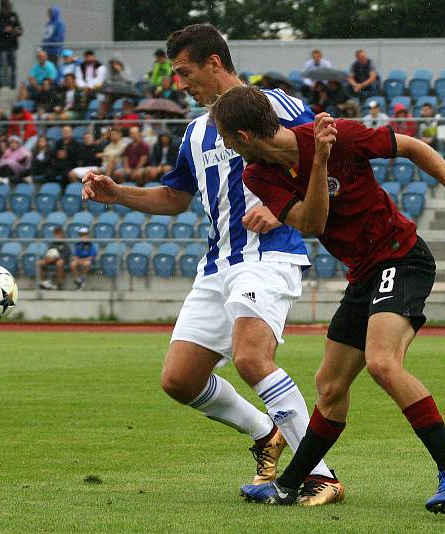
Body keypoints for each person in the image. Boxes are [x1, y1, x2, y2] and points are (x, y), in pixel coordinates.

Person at [81, 23, 342, 506]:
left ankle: (320, 474)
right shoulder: (196, 130)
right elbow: (175, 198)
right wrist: (118, 194)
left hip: (268, 254)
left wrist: (283, 204)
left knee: (250, 358)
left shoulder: (277, 104)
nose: (179, 82)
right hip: (217, 263)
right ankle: (266, 434)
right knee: (179, 380)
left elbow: (326, 163)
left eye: (184, 71)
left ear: (214, 63)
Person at [210, 85, 445, 512]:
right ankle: (290, 484)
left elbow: (413, 146)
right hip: (363, 274)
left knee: (383, 363)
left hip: (401, 258)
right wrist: (321, 163)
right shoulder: (258, 175)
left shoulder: (338, 135)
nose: (224, 145)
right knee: (330, 386)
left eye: (226, 137)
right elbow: (312, 221)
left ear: (245, 136)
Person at [0, 0, 23, 91]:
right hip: (1, 46)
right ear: (2, 7)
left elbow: (19, 29)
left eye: (9, 7)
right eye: (6, 7)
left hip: (12, 45)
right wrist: (4, 30)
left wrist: (16, 31)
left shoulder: (13, 16)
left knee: (13, 65)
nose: (8, 9)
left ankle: (13, 85)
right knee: (1, 65)